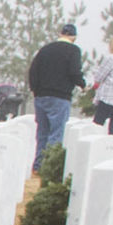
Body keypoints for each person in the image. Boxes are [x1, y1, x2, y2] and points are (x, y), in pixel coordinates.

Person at [27, 22, 86, 167]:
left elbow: (33, 71)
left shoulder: (46, 49)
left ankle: (38, 164)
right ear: (74, 37)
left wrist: (35, 90)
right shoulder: (74, 51)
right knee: (56, 133)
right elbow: (74, 72)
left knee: (42, 132)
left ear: (60, 34)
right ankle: (49, 166)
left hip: (41, 95)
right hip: (60, 96)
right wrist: (82, 84)